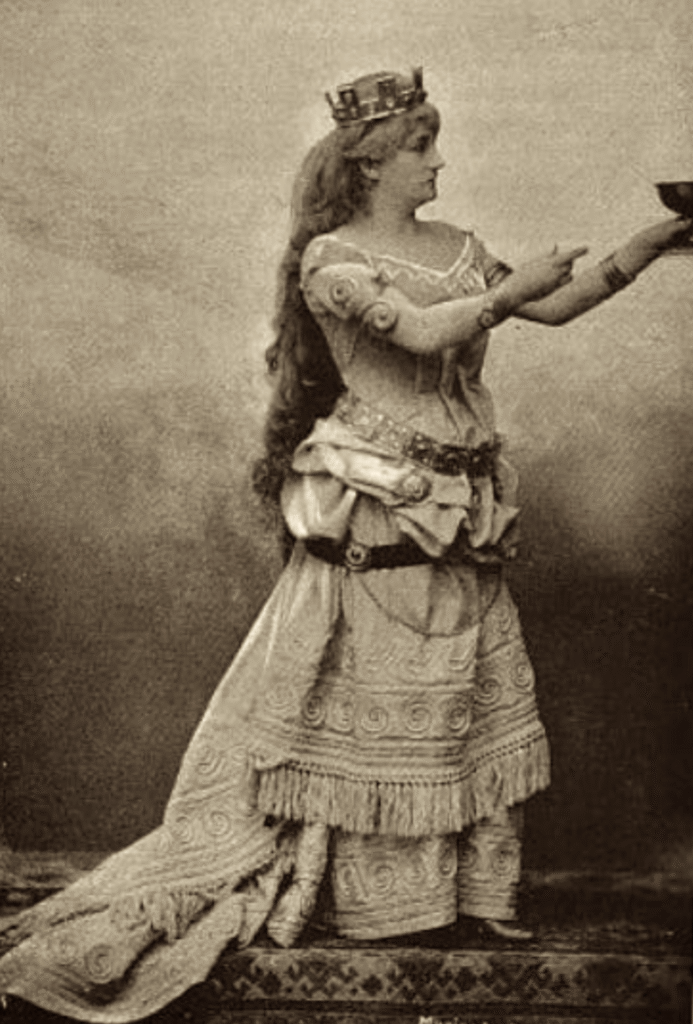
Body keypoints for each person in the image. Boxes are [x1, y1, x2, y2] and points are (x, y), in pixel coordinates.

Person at [0, 68, 689, 1023]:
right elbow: (421, 335)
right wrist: (507, 295)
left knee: (458, 691)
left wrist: (650, 244)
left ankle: (460, 896)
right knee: (372, 692)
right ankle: (370, 901)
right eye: (420, 146)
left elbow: (559, 305)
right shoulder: (331, 261)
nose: (438, 161)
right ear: (368, 164)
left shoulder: (459, 247)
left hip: (460, 504)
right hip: (378, 497)